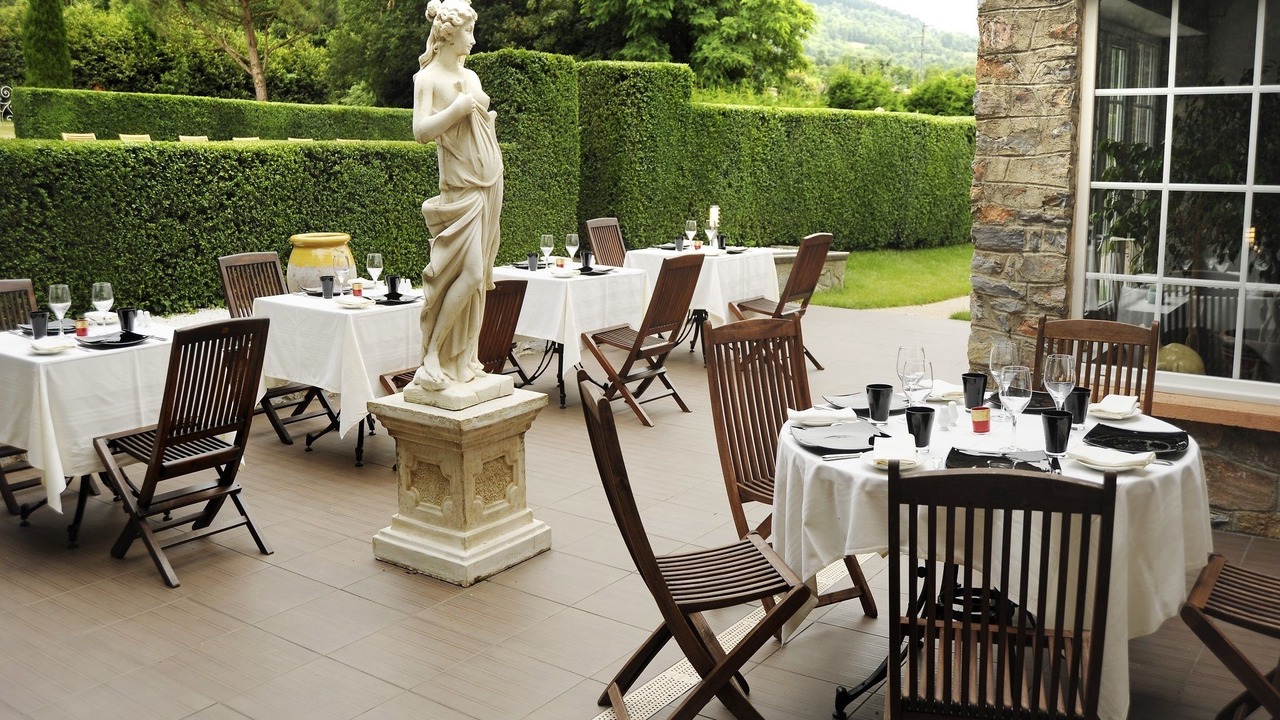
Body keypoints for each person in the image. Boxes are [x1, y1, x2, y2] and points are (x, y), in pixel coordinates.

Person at [411, 0, 504, 391]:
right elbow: (420, 131)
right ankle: (431, 355)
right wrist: (460, 108)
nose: (474, 39)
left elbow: (484, 123)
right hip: (459, 192)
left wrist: (475, 107)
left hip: (488, 185)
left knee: (479, 280)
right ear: (449, 34)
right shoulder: (428, 79)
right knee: (466, 274)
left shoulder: (472, 77)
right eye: (468, 31)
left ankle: (463, 358)